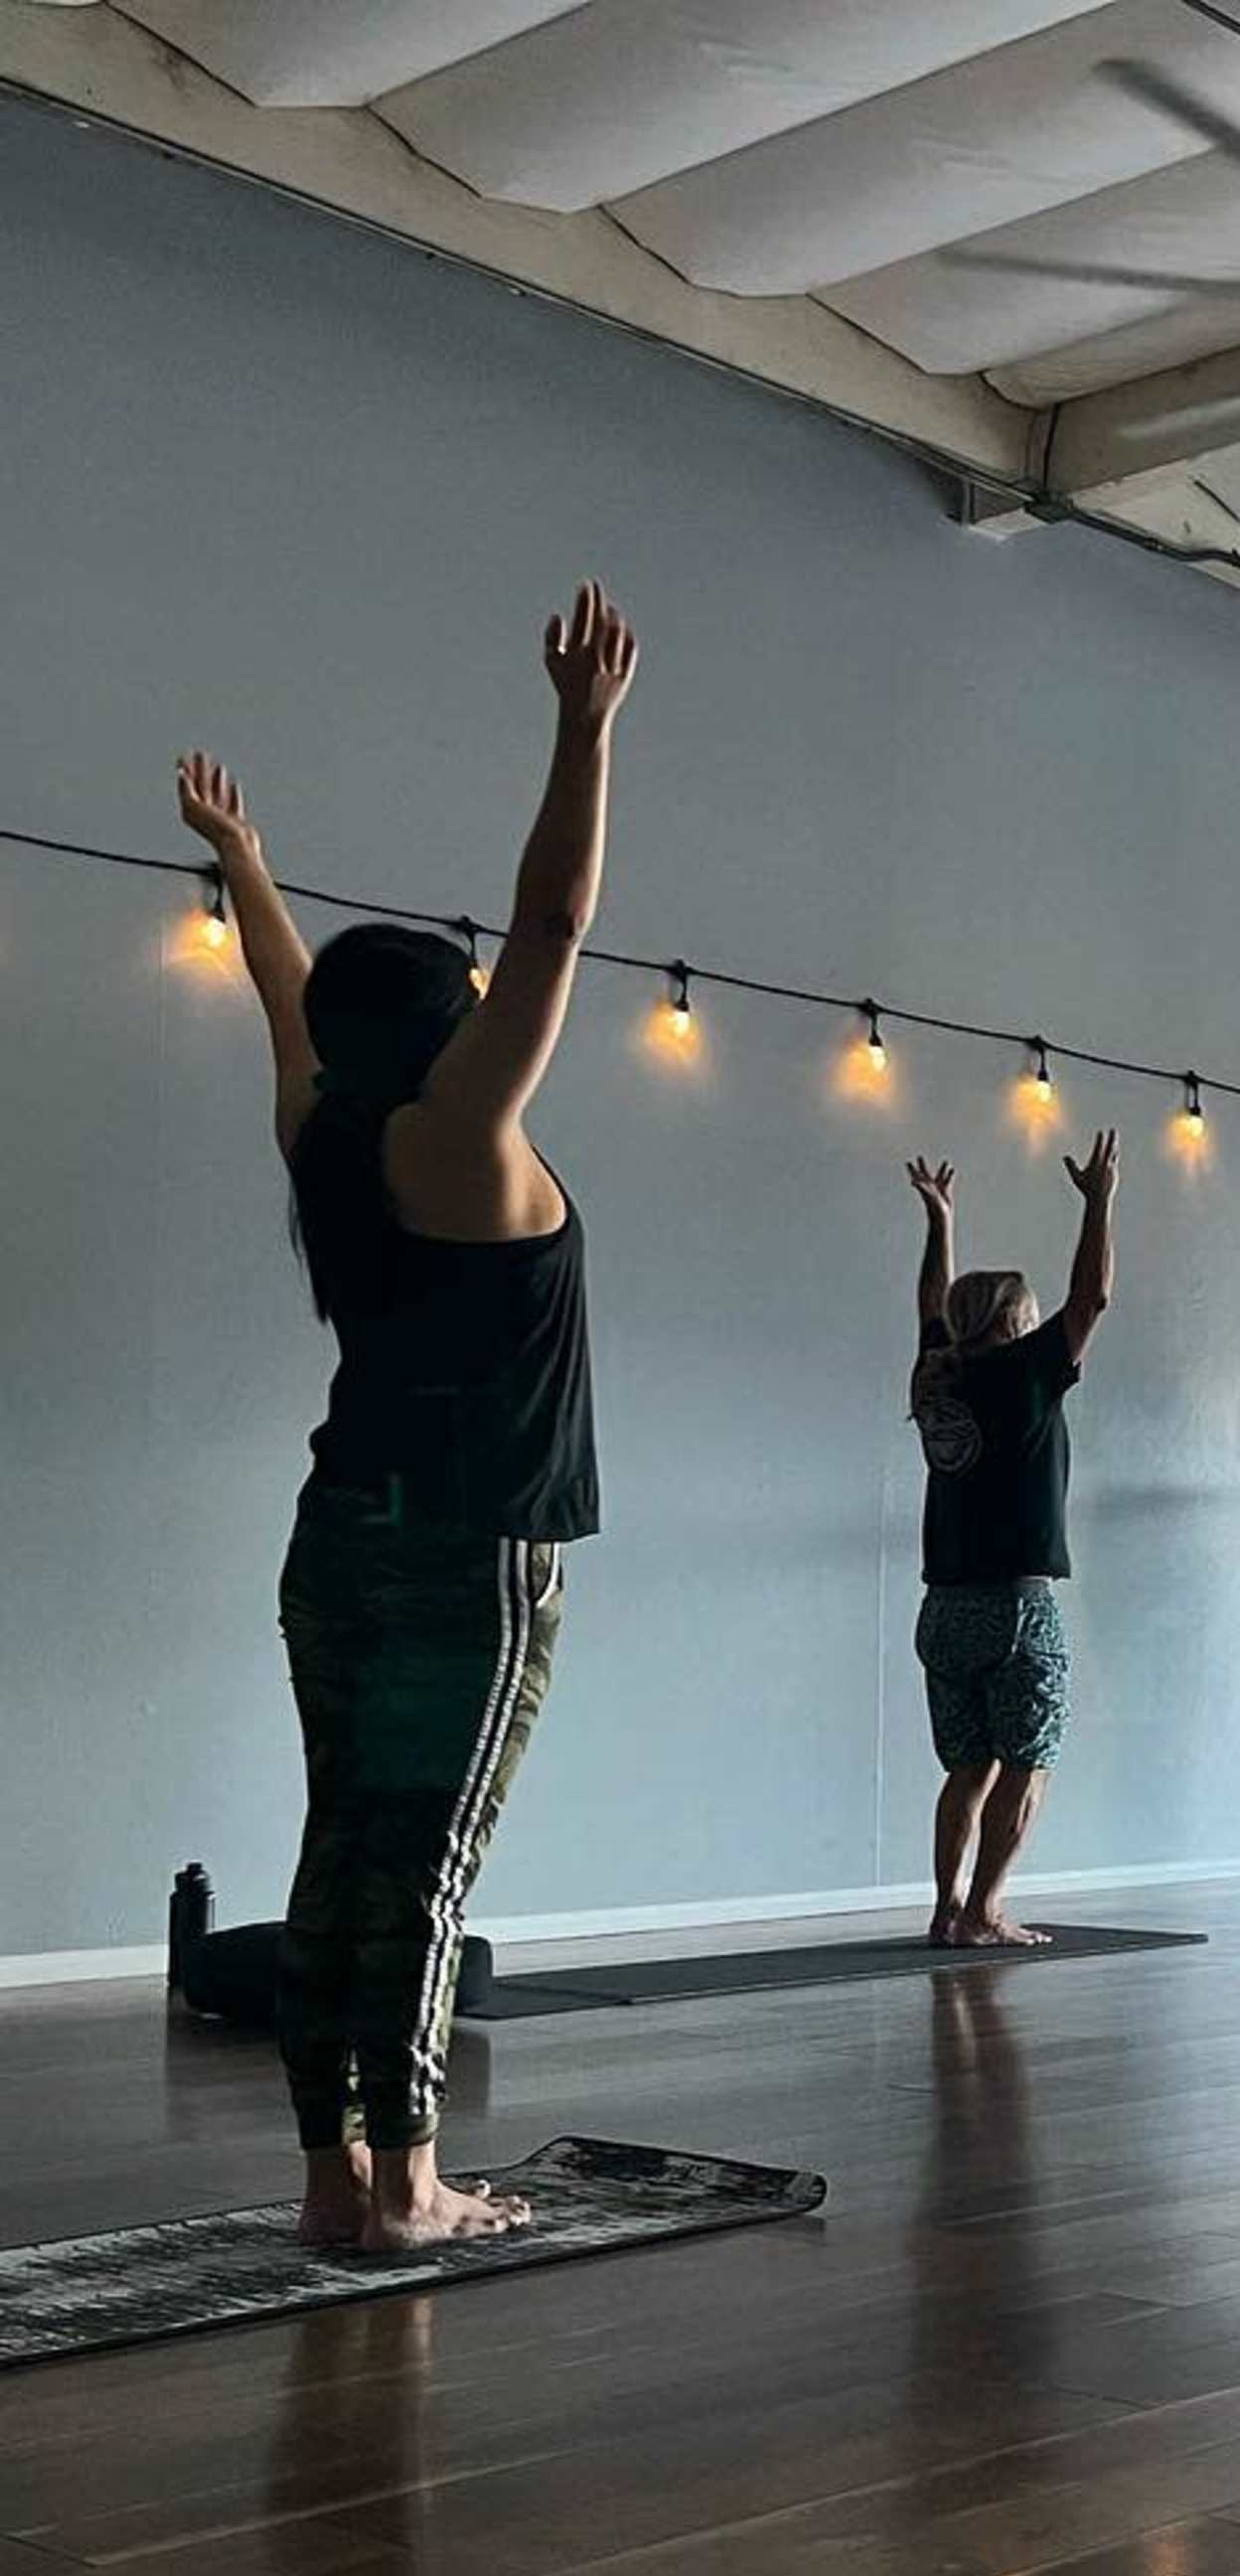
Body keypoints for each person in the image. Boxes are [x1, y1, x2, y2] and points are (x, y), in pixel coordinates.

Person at [175, 581, 637, 2252]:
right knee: (427, 1868)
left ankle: (330, 2178)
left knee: (338, 1854)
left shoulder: (332, 1134)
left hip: (339, 1534)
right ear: (449, 1036)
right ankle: (408, 2184)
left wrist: (246, 867)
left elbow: (288, 1007)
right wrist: (585, 730)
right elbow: (561, 923)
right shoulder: (462, 1145)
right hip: (471, 1550)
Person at [905, 1133, 1117, 1945]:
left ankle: (944, 1910)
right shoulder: (1025, 1373)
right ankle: (987, 1910)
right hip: (1017, 1608)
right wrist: (1099, 1201)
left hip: (943, 1611)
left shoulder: (937, 1374)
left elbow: (930, 1303)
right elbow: (1092, 1298)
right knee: (1026, 1762)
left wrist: (941, 1221)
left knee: (965, 1767)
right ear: (1013, 1321)